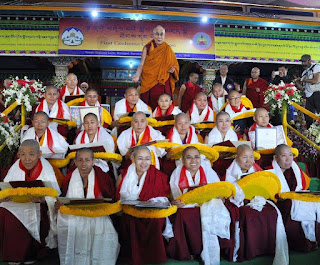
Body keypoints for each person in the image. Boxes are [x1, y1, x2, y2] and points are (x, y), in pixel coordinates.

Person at [0, 140, 61, 264]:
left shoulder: (47, 168)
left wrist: (44, 200)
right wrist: (4, 196)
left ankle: (30, 255)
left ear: (39, 154)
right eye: (23, 154)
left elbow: (55, 196)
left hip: (38, 205)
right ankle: (12, 255)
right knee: (3, 211)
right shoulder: (16, 166)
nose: (27, 159)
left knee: (37, 212)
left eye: (31, 154)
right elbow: (5, 188)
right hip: (17, 203)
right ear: (18, 155)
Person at [225, 145, 288, 263]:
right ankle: (250, 250)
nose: (248, 161)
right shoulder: (229, 173)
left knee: (272, 212)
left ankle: (268, 248)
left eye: (251, 157)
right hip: (239, 202)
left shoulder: (257, 170)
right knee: (248, 214)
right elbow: (228, 193)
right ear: (237, 157)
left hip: (257, 199)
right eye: (244, 157)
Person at [57, 148, 119, 265]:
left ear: (93, 161)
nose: (83, 164)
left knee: (106, 228)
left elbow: (111, 198)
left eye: (87, 160)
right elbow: (63, 196)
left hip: (97, 213)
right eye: (80, 160)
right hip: (75, 213)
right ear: (75, 162)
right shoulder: (69, 178)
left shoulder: (102, 177)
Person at [116, 146, 171, 265]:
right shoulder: (123, 175)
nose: (144, 162)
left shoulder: (158, 175)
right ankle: (133, 257)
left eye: (147, 158)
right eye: (140, 158)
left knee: (155, 221)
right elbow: (117, 197)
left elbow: (165, 197)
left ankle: (154, 256)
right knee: (129, 220)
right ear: (133, 158)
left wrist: (153, 201)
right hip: (130, 212)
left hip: (152, 212)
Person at [168, 146, 222, 261]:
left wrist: (219, 197)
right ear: (182, 160)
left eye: (196, 157)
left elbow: (218, 189)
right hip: (186, 206)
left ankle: (206, 249)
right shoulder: (176, 173)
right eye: (189, 157)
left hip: (207, 204)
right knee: (183, 214)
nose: (193, 161)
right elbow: (175, 196)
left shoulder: (208, 170)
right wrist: (176, 202)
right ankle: (189, 250)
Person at [270, 144, 319, 252]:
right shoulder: (270, 171)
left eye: (291, 155)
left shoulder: (295, 169)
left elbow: (302, 186)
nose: (288, 159)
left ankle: (315, 239)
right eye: (284, 156)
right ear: (275, 157)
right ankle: (302, 243)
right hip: (279, 201)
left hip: (296, 196)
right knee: (291, 204)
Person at [132, 25, 179, 110]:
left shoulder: (167, 49)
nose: (159, 37)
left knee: (164, 106)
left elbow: (174, 66)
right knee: (149, 107)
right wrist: (137, 74)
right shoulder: (147, 48)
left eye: (161, 34)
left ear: (164, 36)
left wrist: (173, 71)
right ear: (153, 35)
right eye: (157, 34)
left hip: (163, 82)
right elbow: (142, 64)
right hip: (149, 82)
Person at [298, 54, 320, 127]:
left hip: (316, 93)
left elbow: (315, 80)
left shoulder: (316, 67)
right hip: (308, 96)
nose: (303, 64)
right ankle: (310, 131)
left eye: (304, 62)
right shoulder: (304, 73)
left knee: (318, 113)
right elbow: (302, 88)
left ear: (309, 61)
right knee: (308, 116)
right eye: (302, 62)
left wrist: (304, 80)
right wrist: (296, 82)